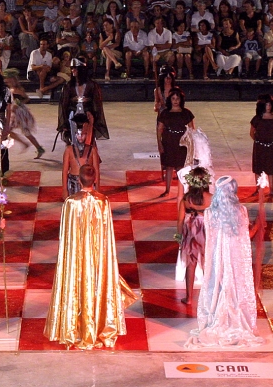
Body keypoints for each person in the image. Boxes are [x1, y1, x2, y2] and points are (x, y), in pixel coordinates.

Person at [44, 165, 136, 349]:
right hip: (97, 256)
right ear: (95, 179)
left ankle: (75, 330)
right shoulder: (103, 201)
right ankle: (101, 326)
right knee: (97, 284)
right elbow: (106, 235)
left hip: (77, 257)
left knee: (77, 283)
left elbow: (66, 238)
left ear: (78, 180)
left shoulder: (70, 202)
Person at [184, 175, 262, 348]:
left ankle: (216, 318)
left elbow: (210, 239)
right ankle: (234, 320)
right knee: (235, 287)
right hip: (236, 259)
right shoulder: (241, 211)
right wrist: (257, 225)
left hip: (218, 260)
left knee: (219, 287)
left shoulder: (210, 212)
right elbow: (246, 238)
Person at [177, 166, 212, 304]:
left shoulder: (186, 199)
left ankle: (189, 297)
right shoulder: (211, 198)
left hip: (190, 232)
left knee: (190, 265)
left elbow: (180, 220)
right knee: (207, 264)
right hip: (206, 231)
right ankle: (210, 297)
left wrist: (179, 237)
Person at [157, 88, 195, 198]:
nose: (175, 101)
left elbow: (192, 129)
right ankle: (167, 190)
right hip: (169, 140)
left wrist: (191, 143)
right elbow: (159, 129)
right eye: (173, 98)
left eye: (177, 98)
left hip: (182, 141)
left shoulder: (186, 113)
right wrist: (159, 143)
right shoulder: (165, 113)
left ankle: (182, 190)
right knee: (169, 166)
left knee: (181, 167)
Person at [3, 70, 46, 158]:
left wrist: (18, 103)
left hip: (19, 113)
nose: (5, 80)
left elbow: (27, 99)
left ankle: (34, 147)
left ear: (11, 79)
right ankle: (34, 147)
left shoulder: (17, 90)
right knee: (8, 131)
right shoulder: (9, 89)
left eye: (6, 79)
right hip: (14, 113)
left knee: (16, 131)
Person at [250, 95, 273, 200]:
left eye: (269, 104)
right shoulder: (257, 118)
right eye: (266, 104)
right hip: (259, 146)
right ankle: (258, 188)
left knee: (271, 167)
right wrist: (259, 141)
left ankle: (271, 189)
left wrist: (270, 140)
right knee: (258, 168)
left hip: (271, 146)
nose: (268, 106)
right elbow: (251, 132)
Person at [62, 111, 101, 193]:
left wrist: (97, 189)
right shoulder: (69, 150)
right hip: (72, 184)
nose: (80, 137)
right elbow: (65, 171)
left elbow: (96, 170)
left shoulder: (92, 150)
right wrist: (64, 189)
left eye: (83, 134)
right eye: (77, 134)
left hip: (89, 185)